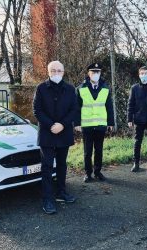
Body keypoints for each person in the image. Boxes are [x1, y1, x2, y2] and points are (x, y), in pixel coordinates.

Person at [33, 60, 78, 214]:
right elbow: (37, 110)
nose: (56, 73)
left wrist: (63, 124)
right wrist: (51, 125)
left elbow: (74, 109)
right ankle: (47, 198)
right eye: (53, 71)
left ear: (63, 72)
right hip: (47, 133)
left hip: (63, 133)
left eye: (59, 71)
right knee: (46, 167)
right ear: (48, 72)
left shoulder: (70, 89)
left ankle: (61, 191)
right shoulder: (41, 88)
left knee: (61, 165)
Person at [74, 63, 115, 183]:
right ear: (88, 74)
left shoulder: (106, 88)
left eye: (98, 72)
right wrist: (77, 123)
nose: (95, 74)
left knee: (99, 150)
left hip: (101, 125)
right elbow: (76, 108)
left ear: (100, 73)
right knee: (87, 151)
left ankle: (97, 172)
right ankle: (87, 173)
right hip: (86, 126)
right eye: (93, 72)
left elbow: (109, 107)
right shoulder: (81, 88)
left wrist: (110, 123)